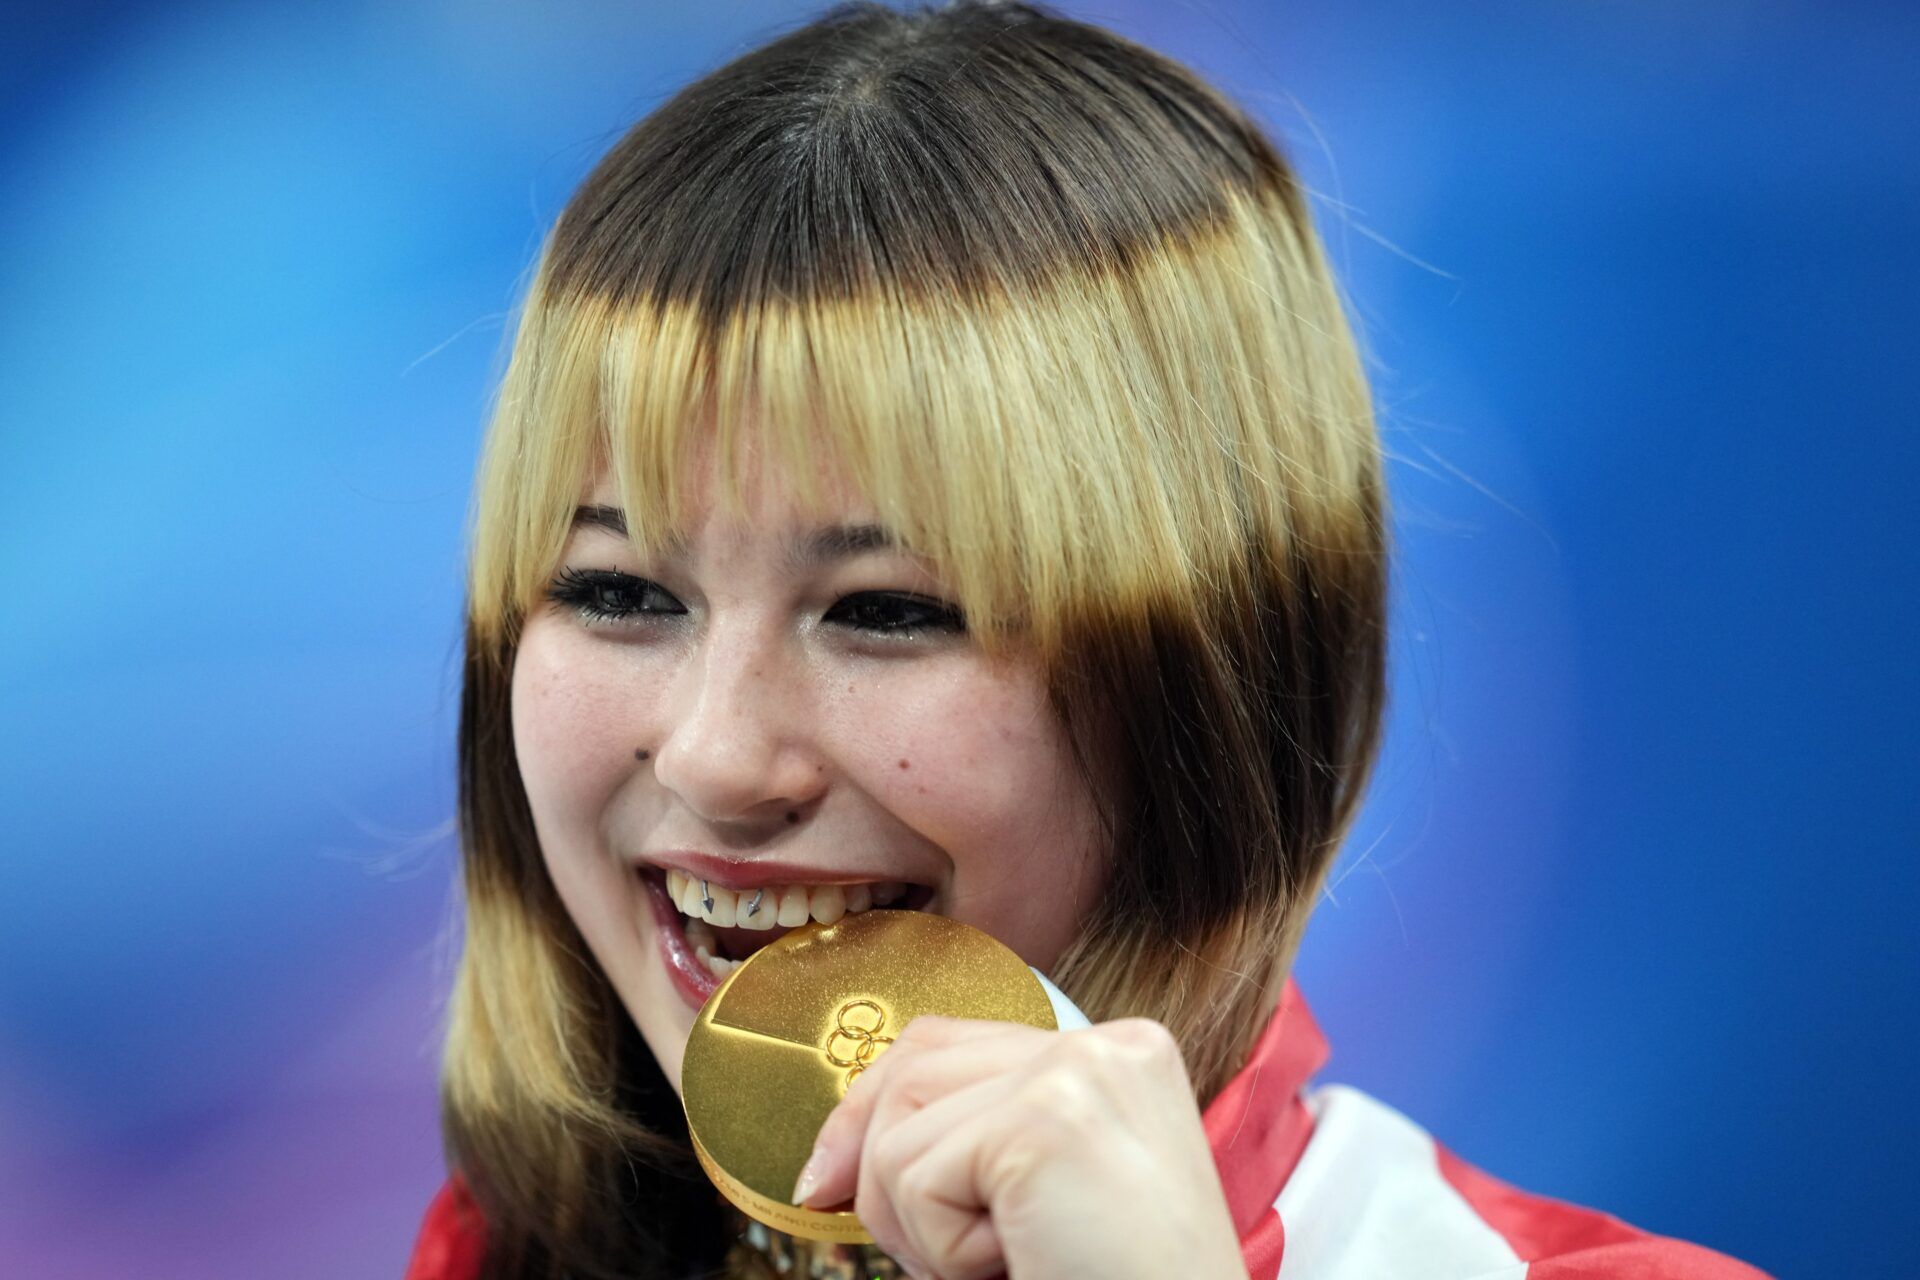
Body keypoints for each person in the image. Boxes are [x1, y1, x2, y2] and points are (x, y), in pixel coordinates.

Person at [404, 3, 1771, 1277]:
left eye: (890, 611)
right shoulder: (494, 1247)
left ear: (1209, 682)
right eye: (620, 593)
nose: (715, 758)